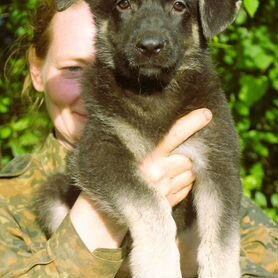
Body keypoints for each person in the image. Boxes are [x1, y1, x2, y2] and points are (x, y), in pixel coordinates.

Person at [0, 0, 277, 277]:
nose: (150, 38)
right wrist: (132, 222)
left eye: (178, 6)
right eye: (73, 68)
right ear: (36, 70)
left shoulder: (203, 114)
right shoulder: (12, 202)